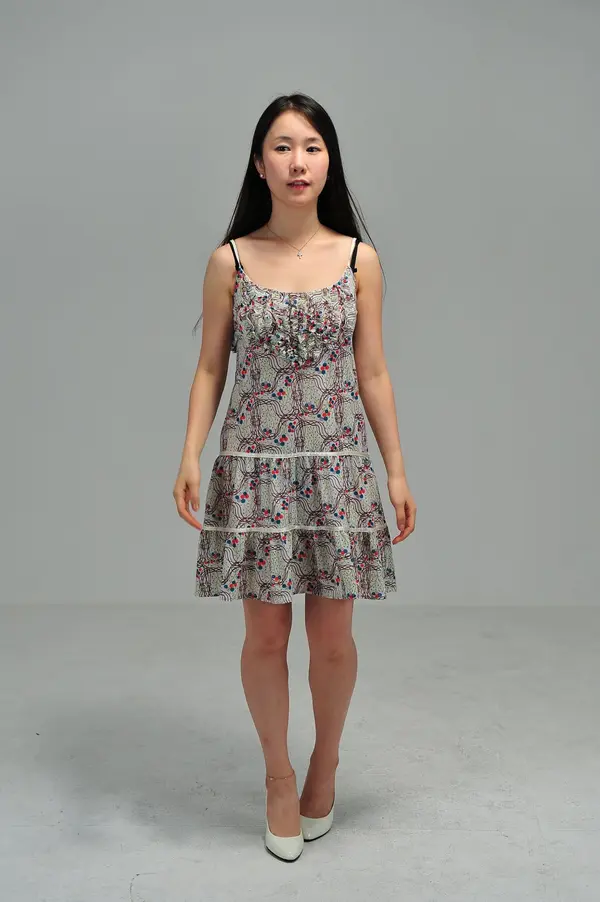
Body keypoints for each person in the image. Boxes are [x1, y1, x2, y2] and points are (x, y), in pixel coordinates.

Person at [173, 92, 416, 861]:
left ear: (329, 161)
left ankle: (325, 763)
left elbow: (372, 372)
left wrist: (396, 470)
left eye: (311, 146)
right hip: (257, 471)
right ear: (259, 163)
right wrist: (189, 453)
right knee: (266, 636)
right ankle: (278, 776)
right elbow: (210, 366)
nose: (297, 161)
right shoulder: (231, 261)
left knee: (333, 640)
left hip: (338, 470)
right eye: (282, 146)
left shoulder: (359, 260)